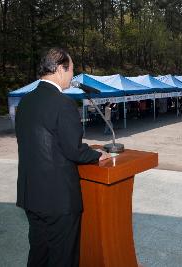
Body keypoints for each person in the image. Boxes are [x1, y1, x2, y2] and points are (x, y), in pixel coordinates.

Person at [15, 48, 111, 267]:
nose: (72, 76)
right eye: (72, 70)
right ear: (60, 69)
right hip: (58, 200)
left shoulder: (25, 102)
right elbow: (74, 150)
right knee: (62, 258)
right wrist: (97, 154)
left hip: (32, 195)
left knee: (39, 254)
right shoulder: (63, 104)